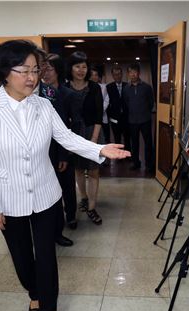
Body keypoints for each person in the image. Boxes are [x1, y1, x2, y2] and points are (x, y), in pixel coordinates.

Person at [0, 40, 129, 311]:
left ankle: (50, 308)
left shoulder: (44, 105)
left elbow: (67, 138)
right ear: (5, 72)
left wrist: (99, 149)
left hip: (46, 194)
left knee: (46, 255)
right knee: (21, 258)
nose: (32, 77)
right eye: (24, 71)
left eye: (36, 70)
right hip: (9, 197)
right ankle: (34, 293)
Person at [38, 53, 77, 247]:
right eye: (41, 68)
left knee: (65, 188)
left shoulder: (67, 94)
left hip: (60, 150)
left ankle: (68, 220)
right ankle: (49, 229)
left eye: (49, 68)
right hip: (40, 151)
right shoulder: (34, 92)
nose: (44, 72)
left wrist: (65, 154)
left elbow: (69, 127)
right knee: (47, 193)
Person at [66, 52, 105, 225]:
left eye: (84, 66)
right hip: (73, 134)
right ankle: (83, 197)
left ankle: (92, 207)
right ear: (71, 68)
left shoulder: (94, 87)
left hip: (92, 132)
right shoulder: (65, 87)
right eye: (77, 66)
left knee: (94, 171)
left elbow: (98, 116)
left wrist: (93, 141)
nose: (81, 70)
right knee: (79, 169)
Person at [123, 63, 155, 172]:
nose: (132, 74)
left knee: (148, 143)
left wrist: (145, 111)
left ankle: (149, 164)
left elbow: (151, 103)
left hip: (145, 119)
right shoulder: (126, 89)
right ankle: (136, 162)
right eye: (130, 72)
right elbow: (126, 103)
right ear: (128, 74)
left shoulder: (147, 87)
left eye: (134, 72)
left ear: (139, 73)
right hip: (132, 120)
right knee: (134, 143)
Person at [106, 65, 129, 149]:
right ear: (112, 76)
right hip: (114, 118)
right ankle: (119, 156)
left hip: (126, 117)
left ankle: (127, 155)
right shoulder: (108, 87)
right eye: (115, 74)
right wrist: (109, 116)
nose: (117, 76)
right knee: (117, 138)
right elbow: (107, 103)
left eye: (119, 74)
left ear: (122, 74)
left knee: (127, 137)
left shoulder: (127, 86)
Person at [89, 66, 110, 145]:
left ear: (99, 77)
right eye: (92, 75)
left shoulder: (104, 87)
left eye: (96, 75)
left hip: (103, 116)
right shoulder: (87, 87)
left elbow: (107, 100)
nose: (94, 77)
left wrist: (100, 110)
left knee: (105, 138)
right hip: (91, 118)